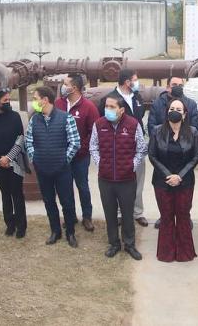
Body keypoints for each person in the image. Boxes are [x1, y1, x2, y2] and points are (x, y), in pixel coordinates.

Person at [90, 94, 146, 260]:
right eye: (106, 106)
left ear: (121, 110)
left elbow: (142, 149)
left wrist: (131, 166)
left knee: (128, 213)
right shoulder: (99, 125)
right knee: (110, 212)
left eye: (112, 107)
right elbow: (93, 147)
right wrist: (101, 164)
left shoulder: (133, 124)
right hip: (105, 179)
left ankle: (129, 244)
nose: (108, 110)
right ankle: (114, 243)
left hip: (126, 180)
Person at [25, 86, 81, 248]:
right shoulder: (34, 119)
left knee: (67, 202)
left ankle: (70, 232)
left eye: (36, 99)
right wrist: (35, 158)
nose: (34, 102)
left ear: (45, 100)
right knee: (49, 201)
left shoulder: (66, 118)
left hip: (62, 170)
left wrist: (64, 160)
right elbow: (29, 142)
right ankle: (55, 231)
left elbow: (75, 142)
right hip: (42, 170)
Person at [148, 98, 198, 262]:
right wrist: (168, 175)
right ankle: (166, 253)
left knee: (183, 215)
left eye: (179, 110)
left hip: (185, 182)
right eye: (172, 108)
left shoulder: (192, 132)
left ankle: (185, 253)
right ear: (167, 111)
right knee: (166, 216)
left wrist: (180, 176)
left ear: (185, 114)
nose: (175, 112)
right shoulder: (157, 131)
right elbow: (152, 156)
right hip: (162, 182)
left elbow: (196, 156)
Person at [149, 75, 198, 229]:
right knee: (166, 209)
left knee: (183, 207)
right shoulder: (158, 104)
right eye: (174, 84)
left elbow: (196, 127)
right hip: (163, 158)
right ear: (168, 87)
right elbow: (151, 125)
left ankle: (185, 218)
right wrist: (162, 135)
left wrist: (184, 133)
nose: (177, 87)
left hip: (184, 162)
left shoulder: (190, 104)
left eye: (180, 85)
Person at [0, 88, 30, 238]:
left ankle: (21, 226)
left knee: (17, 194)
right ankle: (10, 224)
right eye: (5, 101)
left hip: (15, 162)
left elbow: (20, 139)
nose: (8, 103)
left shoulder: (15, 117)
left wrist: (8, 158)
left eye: (9, 100)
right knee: (5, 194)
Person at [55, 73, 100, 232]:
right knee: (65, 187)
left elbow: (93, 133)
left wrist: (78, 149)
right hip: (62, 157)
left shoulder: (89, 107)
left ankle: (87, 216)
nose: (62, 86)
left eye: (65, 83)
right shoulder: (58, 104)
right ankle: (70, 216)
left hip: (80, 157)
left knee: (82, 186)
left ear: (73, 87)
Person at [114, 69, 149, 227]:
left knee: (138, 181)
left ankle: (137, 212)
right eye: (135, 80)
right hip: (120, 148)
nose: (137, 82)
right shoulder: (111, 99)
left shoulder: (137, 97)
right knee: (120, 181)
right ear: (127, 82)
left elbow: (139, 118)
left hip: (137, 147)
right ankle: (120, 213)